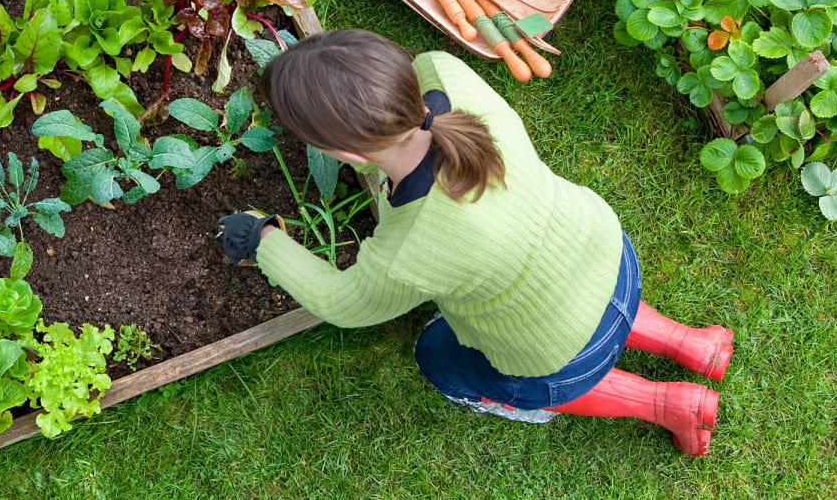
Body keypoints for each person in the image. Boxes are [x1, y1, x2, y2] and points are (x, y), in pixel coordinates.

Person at [217, 29, 733, 455]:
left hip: (558, 353)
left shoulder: (409, 250)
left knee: (438, 357)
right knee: (572, 297)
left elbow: (340, 302)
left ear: (346, 154)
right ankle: (693, 344)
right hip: (608, 255)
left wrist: (261, 239)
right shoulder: (444, 73)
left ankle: (667, 404)